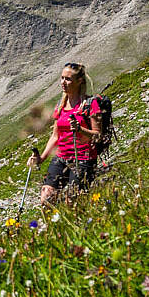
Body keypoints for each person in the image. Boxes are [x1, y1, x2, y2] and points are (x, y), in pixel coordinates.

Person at [30, 62, 102, 206]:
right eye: (62, 78)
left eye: (68, 79)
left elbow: (98, 136)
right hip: (61, 157)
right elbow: (55, 136)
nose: (63, 82)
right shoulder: (61, 105)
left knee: (73, 202)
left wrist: (80, 130)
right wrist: (41, 158)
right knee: (46, 198)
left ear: (79, 81)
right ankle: (52, 226)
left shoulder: (90, 103)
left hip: (82, 159)